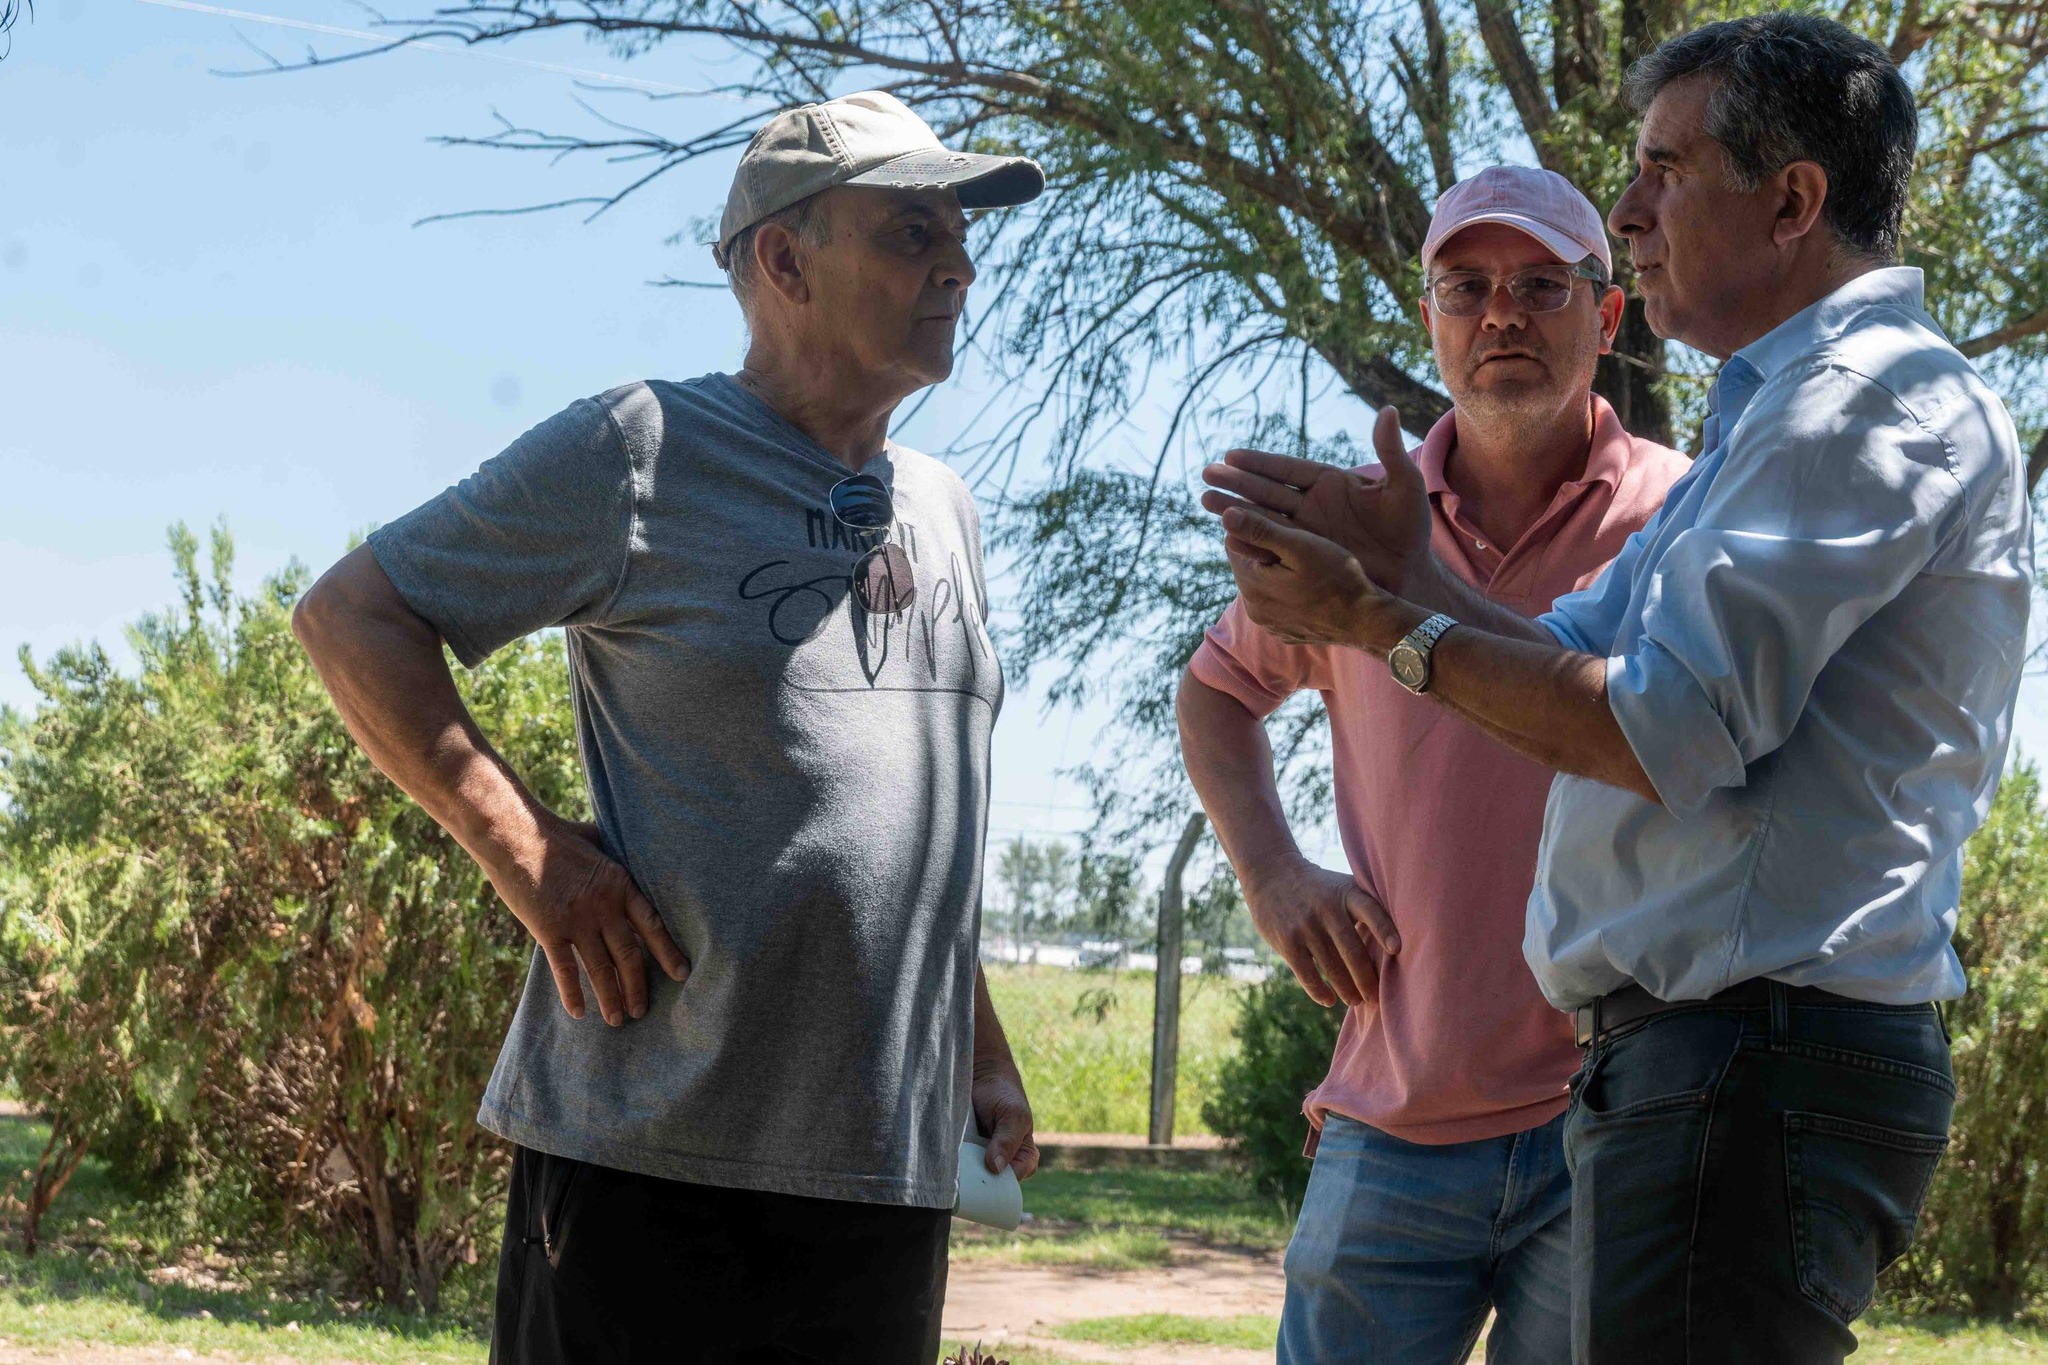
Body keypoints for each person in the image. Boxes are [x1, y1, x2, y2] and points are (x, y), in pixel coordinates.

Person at [1201, 14, 2031, 1362]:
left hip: (1751, 1068)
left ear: (1792, 202)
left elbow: (1663, 726)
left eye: (1663, 170)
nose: (1630, 211)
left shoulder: (1856, 407)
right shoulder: (1775, 421)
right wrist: (1405, 575)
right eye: (1465, 287)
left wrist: (1381, 622)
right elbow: (1576, 647)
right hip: (1699, 1073)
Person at [292, 90, 1047, 1364]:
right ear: (783, 260)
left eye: (959, 238)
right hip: (652, 1159)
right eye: (913, 232)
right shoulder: (638, 448)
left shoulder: (942, 508)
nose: (957, 267)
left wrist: (975, 1044)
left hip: (881, 1172)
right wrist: (530, 852)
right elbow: (351, 615)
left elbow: (909, 810)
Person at [1179, 166, 1687, 1363]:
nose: (1500, 314)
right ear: (1428, 318)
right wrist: (1273, 875)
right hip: (1393, 1114)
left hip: (1616, 1115)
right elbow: (1214, 691)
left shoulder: (1682, 516)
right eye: (1465, 287)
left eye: (1540, 286)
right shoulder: (1355, 526)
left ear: (1605, 315)